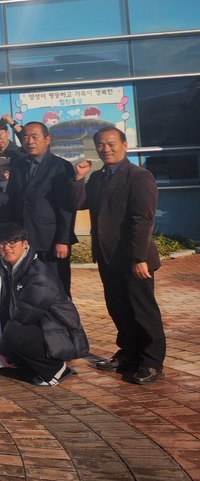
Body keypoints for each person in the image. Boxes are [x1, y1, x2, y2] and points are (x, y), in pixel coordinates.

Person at [73, 127, 166, 385]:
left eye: (111, 143)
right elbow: (79, 203)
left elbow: (143, 219)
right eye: (101, 145)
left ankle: (152, 361)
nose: (106, 149)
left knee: (142, 310)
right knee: (118, 308)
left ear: (124, 145)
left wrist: (139, 258)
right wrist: (78, 178)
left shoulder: (139, 176)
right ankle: (129, 353)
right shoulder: (98, 177)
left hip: (134, 258)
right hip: (108, 257)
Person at [0, 121, 77, 296]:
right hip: (23, 240)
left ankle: (61, 315)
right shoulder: (19, 165)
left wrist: (63, 240)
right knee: (28, 289)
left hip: (50, 241)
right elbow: (12, 198)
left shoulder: (61, 166)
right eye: (25, 137)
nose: (30, 141)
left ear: (47, 139)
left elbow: (66, 208)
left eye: (34, 137)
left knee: (57, 288)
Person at [0, 223, 89, 386]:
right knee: (15, 351)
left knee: (15, 334)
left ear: (25, 244)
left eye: (12, 243)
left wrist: (2, 350)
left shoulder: (39, 275)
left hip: (64, 335)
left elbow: (24, 318)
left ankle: (56, 369)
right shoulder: (12, 268)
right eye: (2, 244)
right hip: (44, 329)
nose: (7, 248)